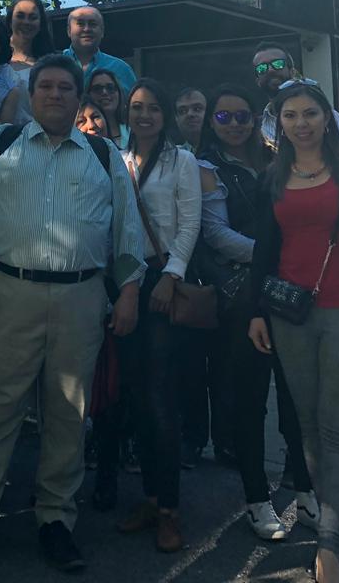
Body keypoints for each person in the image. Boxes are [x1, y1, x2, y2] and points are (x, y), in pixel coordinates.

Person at [0, 55, 145, 576]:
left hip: (82, 297)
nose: (54, 94)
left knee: (68, 416)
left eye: (65, 87)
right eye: (45, 86)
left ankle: (56, 521)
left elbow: (127, 226)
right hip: (10, 293)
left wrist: (131, 291)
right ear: (31, 95)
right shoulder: (0, 143)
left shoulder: (102, 153)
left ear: (79, 99)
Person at [248, 82, 339, 583]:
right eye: (290, 115)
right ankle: (336, 524)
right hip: (291, 318)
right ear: (280, 123)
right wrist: (255, 313)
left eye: (310, 113)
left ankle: (329, 543)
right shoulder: (271, 178)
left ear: (327, 118)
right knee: (308, 431)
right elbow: (263, 254)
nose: (301, 123)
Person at [195, 84, 317, 540]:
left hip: (290, 297)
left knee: (295, 398)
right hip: (246, 299)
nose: (234, 124)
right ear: (212, 122)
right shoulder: (206, 168)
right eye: (224, 117)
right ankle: (256, 499)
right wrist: (276, 255)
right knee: (249, 400)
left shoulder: (277, 160)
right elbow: (217, 235)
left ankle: (305, 491)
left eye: (242, 116)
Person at [116, 79, 202, 553]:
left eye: (152, 108)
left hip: (162, 282)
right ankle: (149, 497)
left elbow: (190, 224)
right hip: (125, 283)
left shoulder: (180, 160)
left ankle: (170, 509)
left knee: (160, 398)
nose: (143, 115)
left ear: (165, 114)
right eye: (136, 107)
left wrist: (172, 274)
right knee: (135, 395)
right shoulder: (116, 156)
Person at [251, 44, 339, 150]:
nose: (271, 70)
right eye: (262, 68)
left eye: (278, 64)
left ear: (293, 72)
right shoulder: (257, 128)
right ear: (258, 81)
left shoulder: (327, 116)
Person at [63, 6, 136, 94]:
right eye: (81, 24)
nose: (86, 29)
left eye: (92, 24)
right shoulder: (54, 64)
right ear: (68, 31)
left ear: (102, 32)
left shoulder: (121, 69)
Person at [5, 0, 53, 75]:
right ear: (10, 21)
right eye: (20, 16)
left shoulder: (52, 63)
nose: (26, 22)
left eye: (33, 17)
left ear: (41, 24)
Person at [87, 70, 129, 152]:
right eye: (97, 89)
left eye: (110, 88)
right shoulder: (85, 131)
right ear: (88, 94)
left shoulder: (133, 129)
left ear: (119, 92)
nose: (104, 92)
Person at [174, 87, 206, 151]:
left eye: (197, 109)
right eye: (182, 111)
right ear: (176, 119)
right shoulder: (172, 157)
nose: (190, 114)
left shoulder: (228, 151)